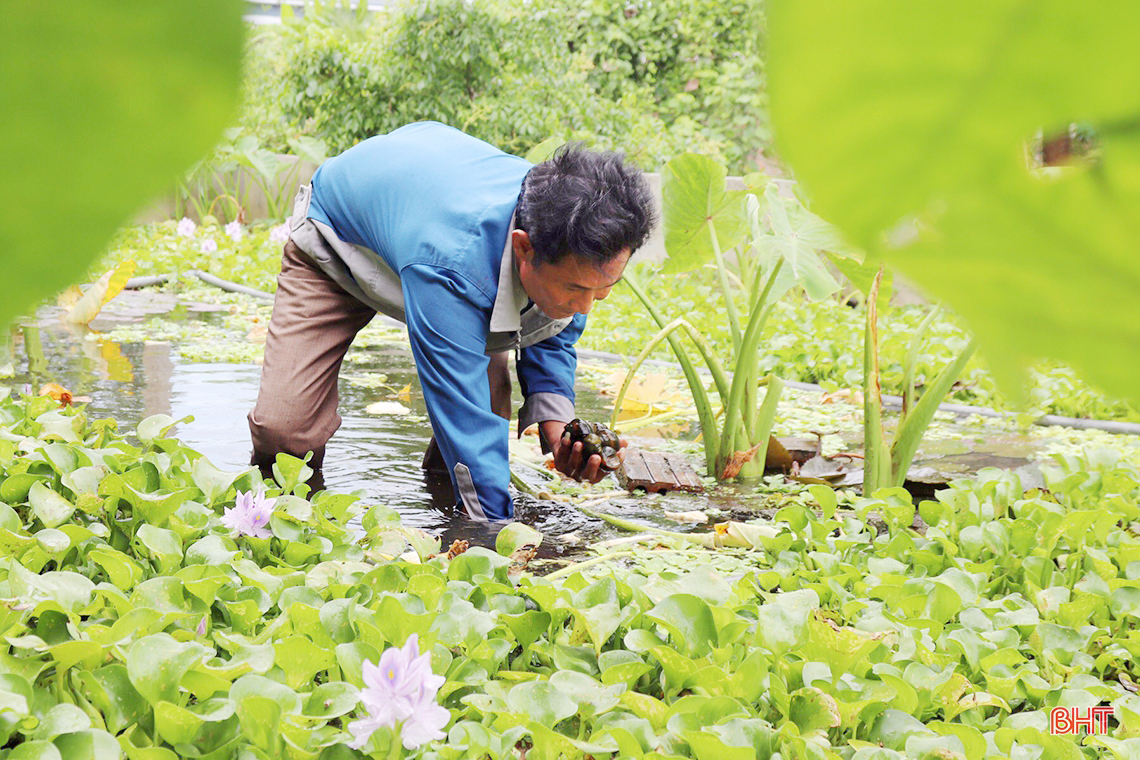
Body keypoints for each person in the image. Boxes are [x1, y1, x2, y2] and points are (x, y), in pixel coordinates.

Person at [248, 122, 656, 521]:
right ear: (524, 248)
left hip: (427, 225)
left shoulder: (571, 238)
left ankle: (444, 500)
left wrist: (560, 431)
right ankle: (278, 515)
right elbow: (465, 420)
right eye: (575, 289)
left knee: (488, 404)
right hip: (339, 238)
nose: (585, 306)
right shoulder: (453, 265)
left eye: (602, 290)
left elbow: (552, 335)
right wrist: (498, 536)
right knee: (285, 431)